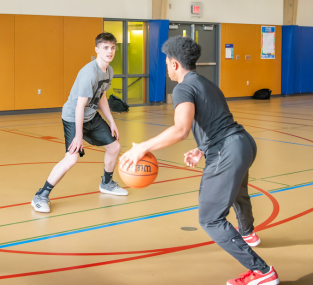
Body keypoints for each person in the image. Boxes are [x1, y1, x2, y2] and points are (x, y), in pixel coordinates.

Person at [119, 36, 279, 285]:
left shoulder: (182, 88)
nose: (166, 66)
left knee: (210, 219)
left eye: (166, 62)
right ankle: (248, 234)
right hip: (244, 143)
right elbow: (217, 121)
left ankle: (261, 272)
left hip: (228, 150)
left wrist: (143, 147)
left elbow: (181, 129)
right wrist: (202, 149)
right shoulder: (206, 83)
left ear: (173, 64)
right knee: (239, 194)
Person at [31, 32, 128, 214]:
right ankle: (41, 195)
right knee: (72, 158)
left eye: (113, 47)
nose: (110, 51)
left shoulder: (109, 71)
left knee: (115, 147)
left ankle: (106, 183)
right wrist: (78, 135)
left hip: (91, 116)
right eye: (105, 48)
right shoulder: (89, 73)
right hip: (73, 117)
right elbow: (79, 107)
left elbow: (102, 97)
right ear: (97, 50)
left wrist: (111, 121)